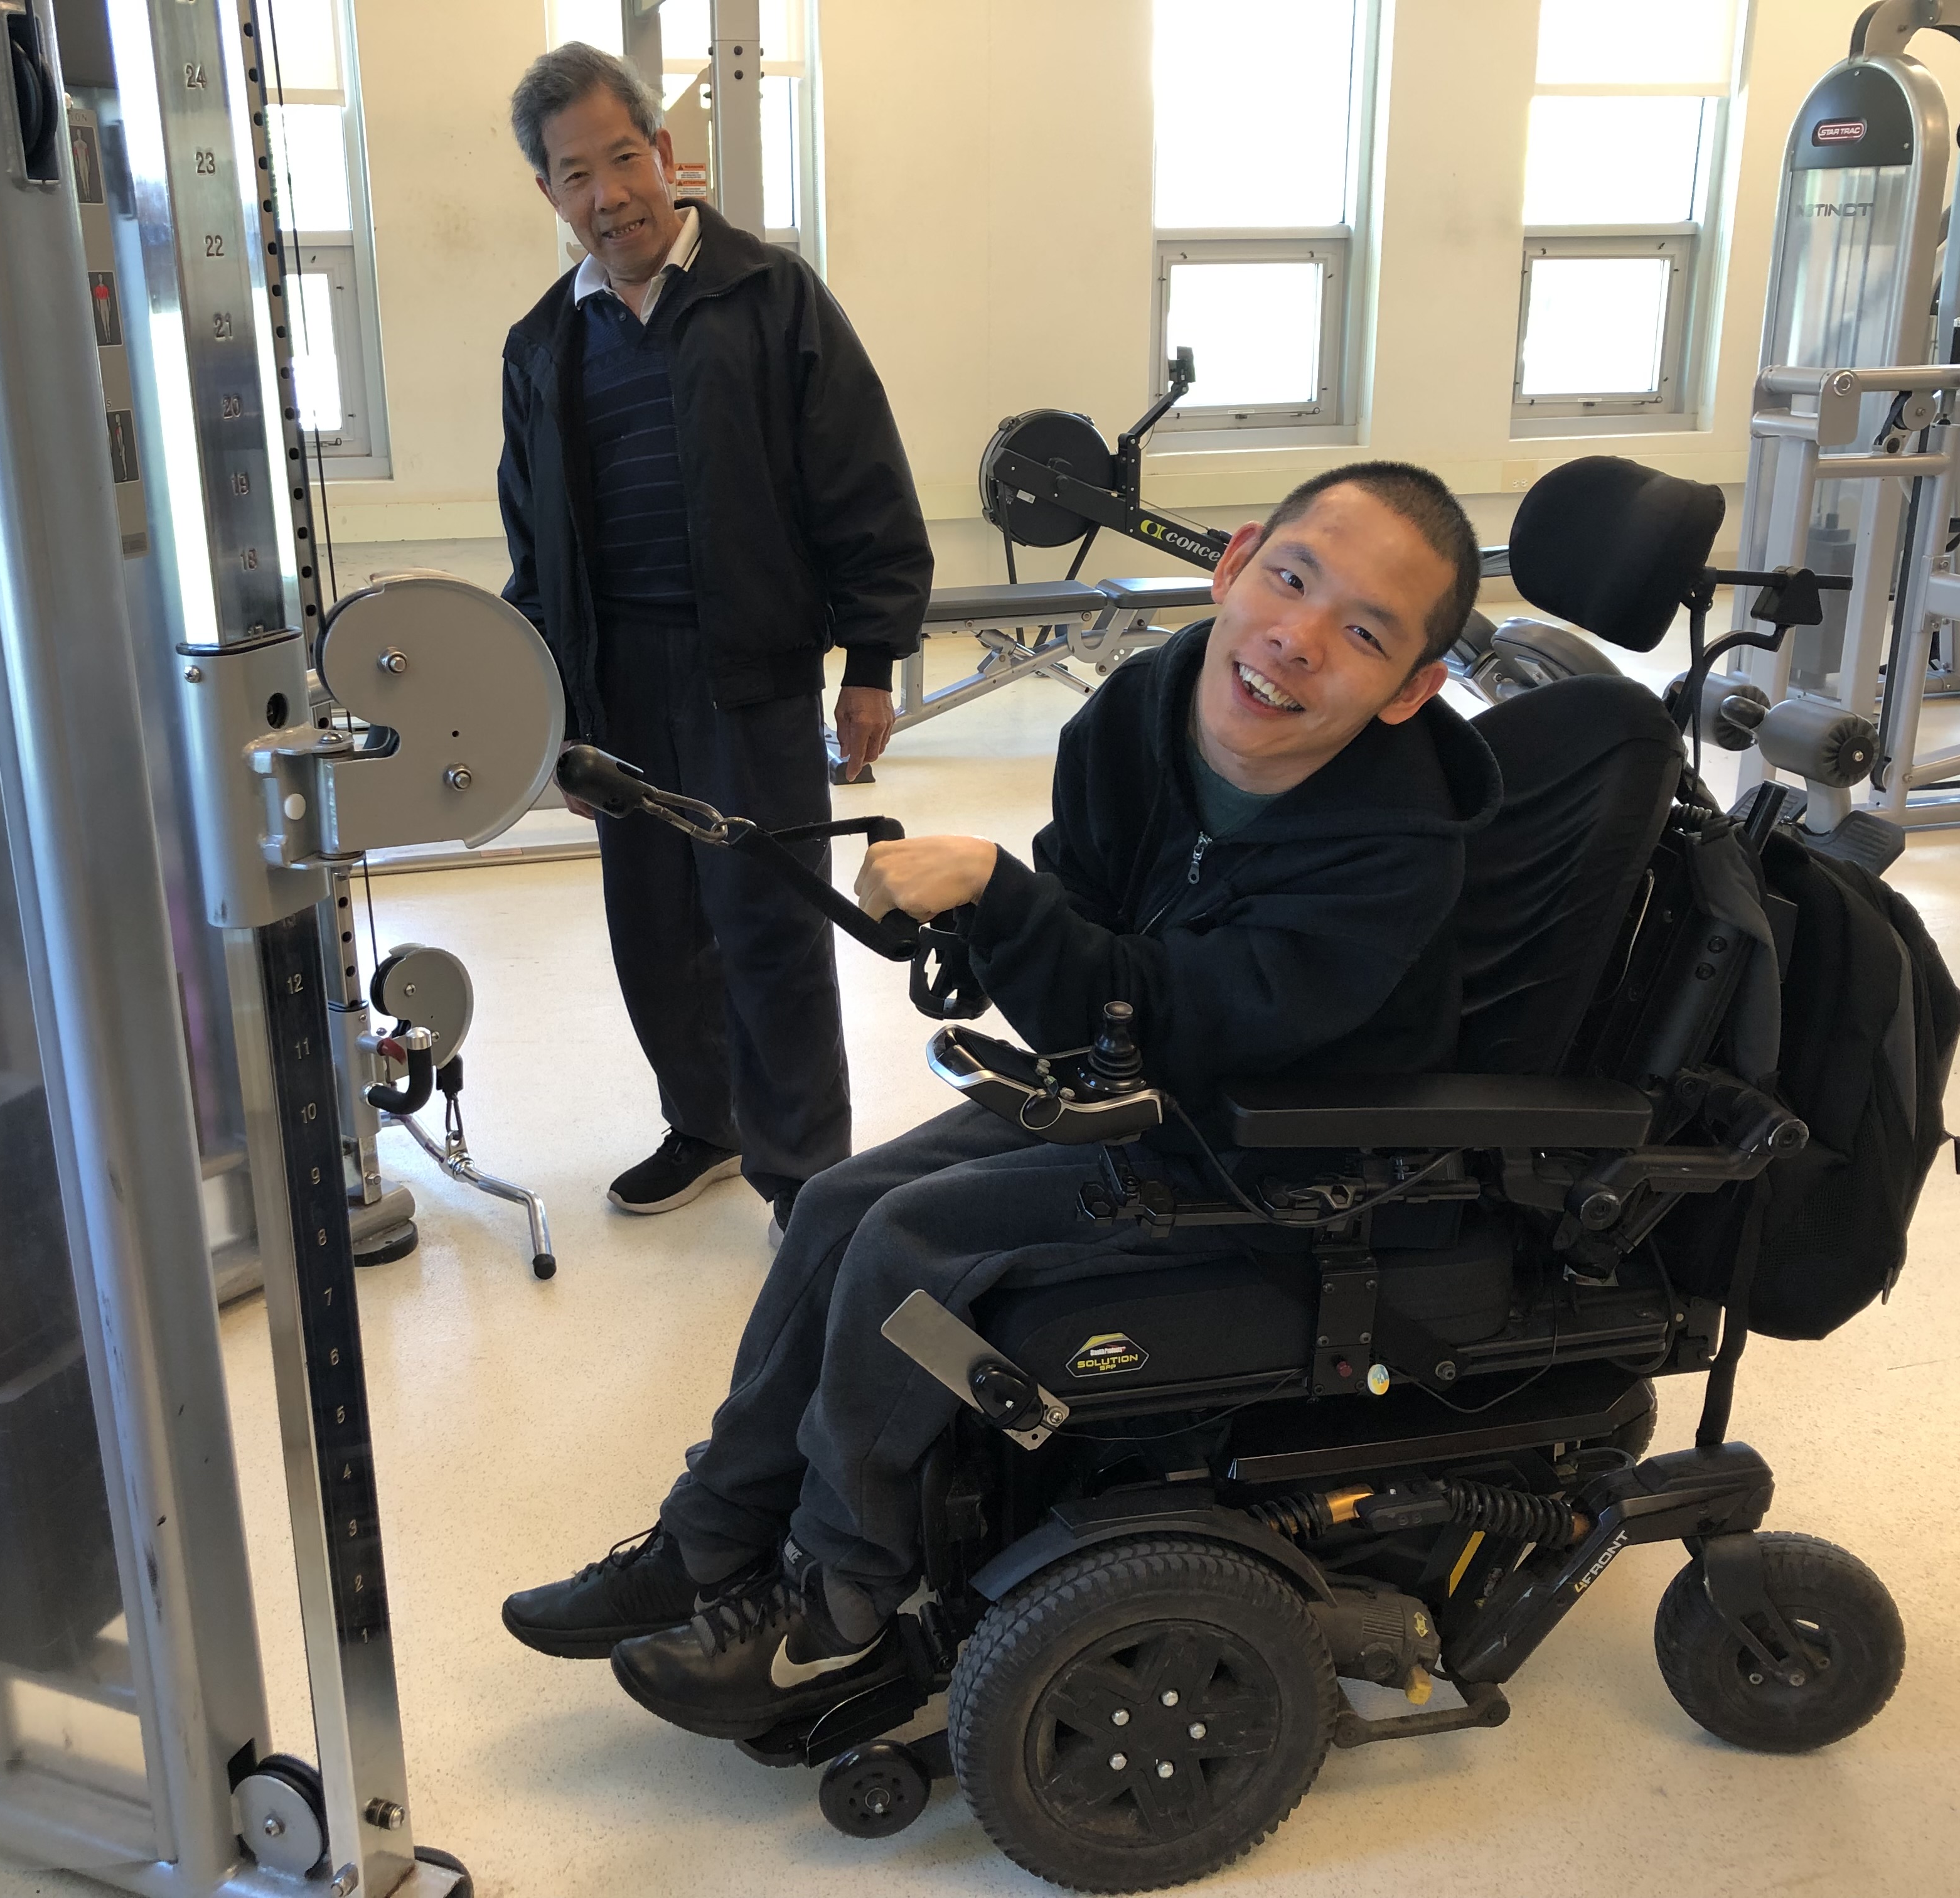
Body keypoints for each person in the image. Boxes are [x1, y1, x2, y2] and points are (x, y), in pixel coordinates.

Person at [499, 463, 1501, 1743]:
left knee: (907, 1244)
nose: (1297, 638)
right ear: (1235, 560)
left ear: (1412, 688)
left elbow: (1192, 1019)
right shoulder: (1140, 708)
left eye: (1362, 633)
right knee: (839, 1201)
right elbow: (1088, 961)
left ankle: (837, 1602)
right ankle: (709, 1536)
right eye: (1291, 579)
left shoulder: (1398, 847)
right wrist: (991, 928)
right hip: (1146, 1100)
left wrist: (1001, 896)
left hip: (1286, 1165)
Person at [498, 45, 933, 1231]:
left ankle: (803, 1173)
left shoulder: (770, 297)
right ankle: (705, 1122)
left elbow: (861, 484)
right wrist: (555, 718)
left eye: (622, 158)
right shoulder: (542, 344)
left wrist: (872, 663)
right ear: (548, 192)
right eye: (575, 175)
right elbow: (534, 550)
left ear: (665, 153)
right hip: (615, 680)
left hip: (749, 670)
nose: (608, 196)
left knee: (769, 922)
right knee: (653, 925)